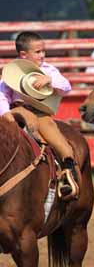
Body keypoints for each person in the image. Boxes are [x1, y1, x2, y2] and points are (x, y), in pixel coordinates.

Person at [0, 31, 80, 201]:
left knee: (58, 140)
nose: (42, 55)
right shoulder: (10, 72)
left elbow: (66, 86)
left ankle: (67, 171)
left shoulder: (48, 70)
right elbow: (2, 95)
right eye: (37, 52)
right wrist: (5, 112)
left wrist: (50, 80)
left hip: (39, 112)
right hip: (13, 111)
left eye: (43, 51)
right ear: (23, 54)